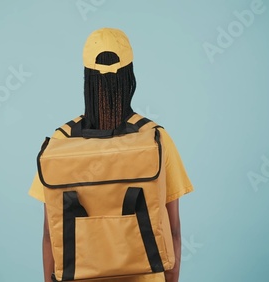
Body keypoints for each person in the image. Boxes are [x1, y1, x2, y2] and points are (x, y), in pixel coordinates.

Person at [28, 27, 194, 282]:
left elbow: (51, 236)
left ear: (87, 77)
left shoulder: (61, 143)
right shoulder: (155, 139)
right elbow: (173, 233)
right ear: (130, 76)